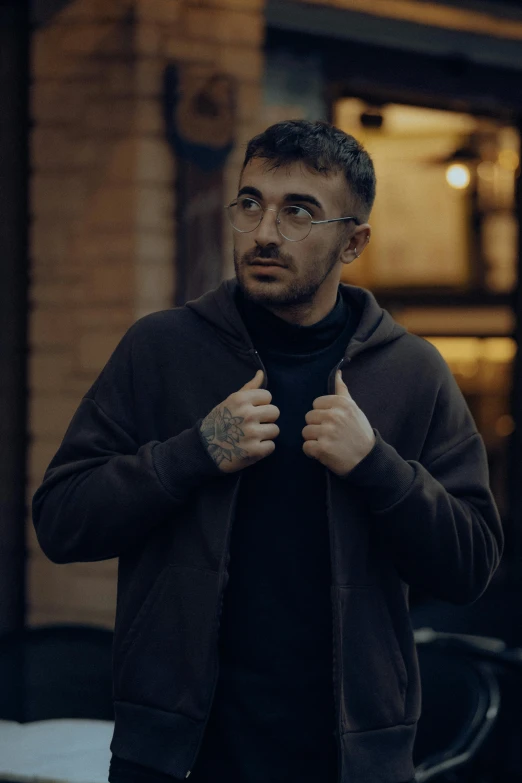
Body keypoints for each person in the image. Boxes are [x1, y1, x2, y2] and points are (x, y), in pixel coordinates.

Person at [32, 120, 503, 783]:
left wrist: (378, 467)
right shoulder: (161, 349)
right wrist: (193, 451)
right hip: (176, 757)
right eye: (250, 203)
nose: (264, 232)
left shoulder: (413, 373)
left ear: (354, 241)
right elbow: (60, 519)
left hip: (348, 759)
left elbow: (472, 562)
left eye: (298, 212)